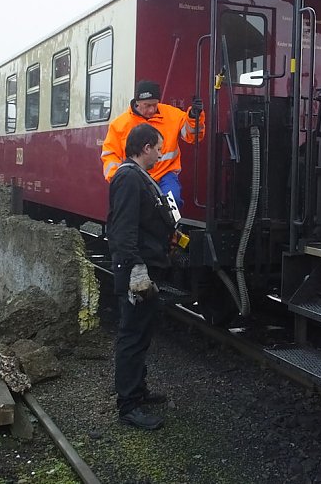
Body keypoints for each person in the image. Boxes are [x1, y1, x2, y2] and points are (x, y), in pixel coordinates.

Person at [107, 123, 177, 430]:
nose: (161, 155)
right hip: (137, 270)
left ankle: (138, 390)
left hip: (146, 267)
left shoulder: (138, 176)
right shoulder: (128, 178)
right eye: (158, 149)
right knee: (132, 336)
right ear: (145, 148)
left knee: (141, 333)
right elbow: (122, 230)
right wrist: (136, 269)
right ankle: (128, 406)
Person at [101, 80, 204, 208]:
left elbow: (193, 137)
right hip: (135, 176)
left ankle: (171, 222)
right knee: (136, 208)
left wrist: (194, 117)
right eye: (147, 105)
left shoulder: (173, 115)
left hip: (165, 174)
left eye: (155, 105)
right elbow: (110, 155)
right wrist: (118, 178)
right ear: (137, 102)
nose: (151, 110)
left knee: (173, 203)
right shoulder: (119, 125)